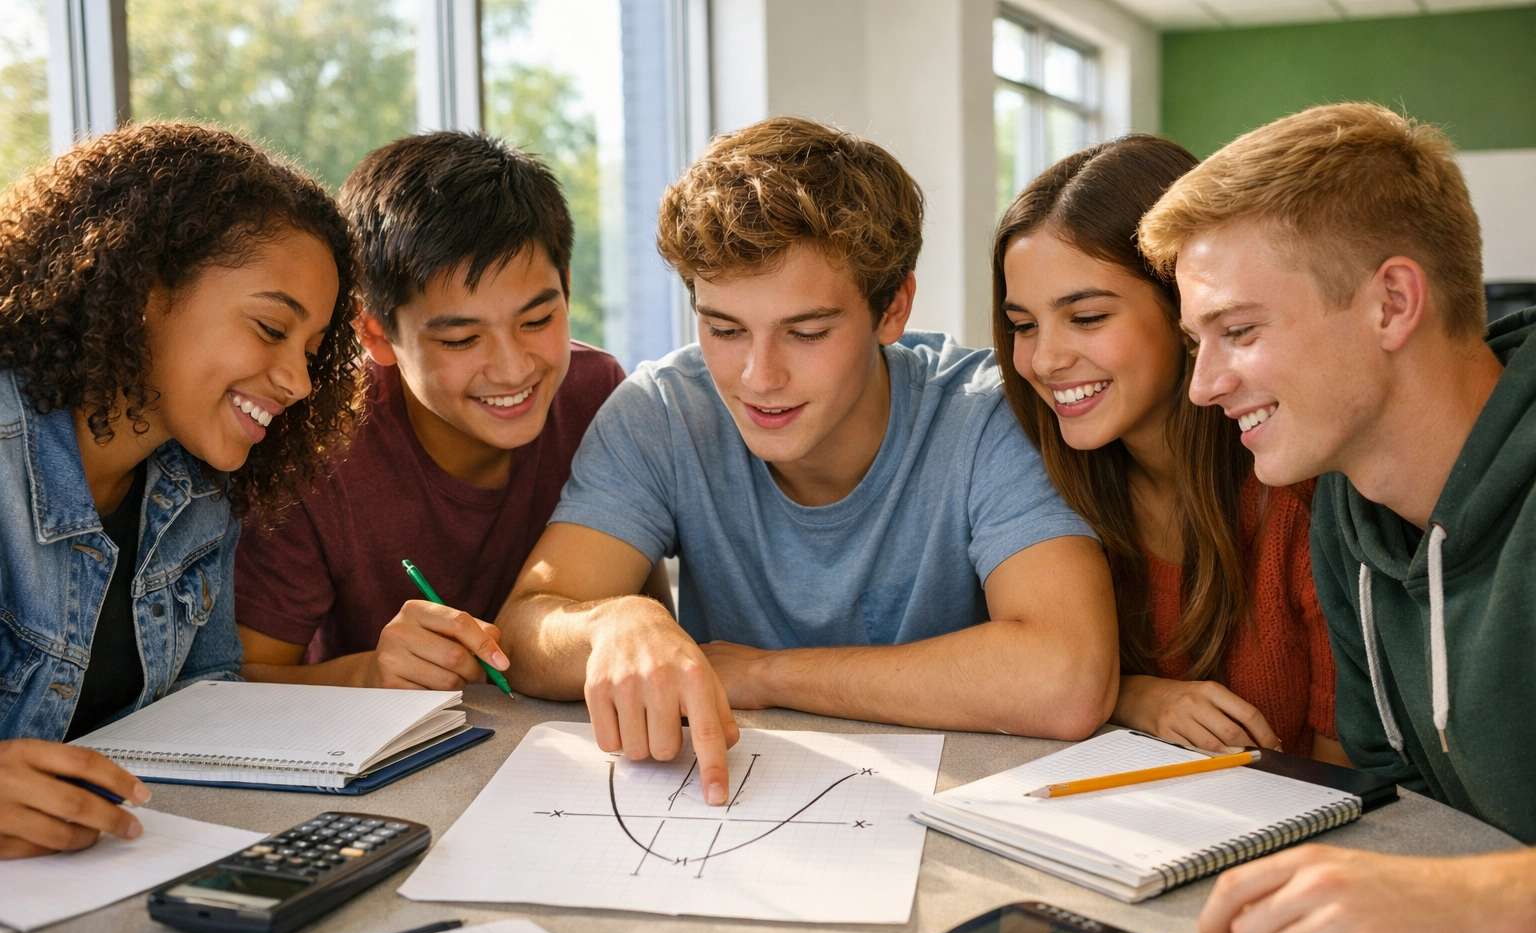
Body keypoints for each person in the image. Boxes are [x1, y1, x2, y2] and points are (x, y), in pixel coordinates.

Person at [497, 117, 1119, 807]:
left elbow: (1068, 678)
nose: (759, 377)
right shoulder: (664, 411)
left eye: (807, 332)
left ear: (893, 310)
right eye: (724, 329)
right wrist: (611, 624)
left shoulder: (987, 415)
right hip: (723, 809)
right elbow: (525, 631)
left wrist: (764, 674)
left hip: (957, 815)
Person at [1138, 102, 1536, 933]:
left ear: (1393, 303)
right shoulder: (1346, 520)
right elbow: (1405, 802)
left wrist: (1485, 903)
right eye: (1197, 344)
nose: (1202, 388)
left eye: (1238, 332)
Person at [0, 123, 360, 857]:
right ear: (143, 287)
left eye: (313, 352)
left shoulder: (199, 489)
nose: (297, 381)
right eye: (270, 328)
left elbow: (205, 708)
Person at [236, 132, 632, 690]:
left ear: (566, 289)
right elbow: (237, 682)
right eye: (462, 339)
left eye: (538, 321)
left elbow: (640, 616)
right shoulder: (317, 449)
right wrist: (368, 674)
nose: (513, 369)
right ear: (375, 334)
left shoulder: (599, 393)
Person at [993, 136, 1344, 763]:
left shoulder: (1306, 494)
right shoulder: (1038, 484)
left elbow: (1350, 783)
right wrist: (1132, 695)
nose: (1044, 360)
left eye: (1088, 317)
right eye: (1023, 326)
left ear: (1186, 306)